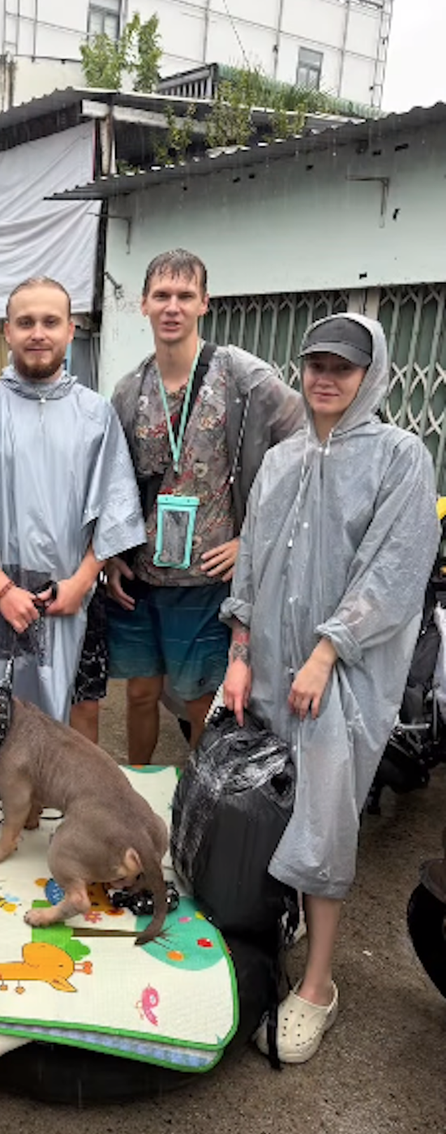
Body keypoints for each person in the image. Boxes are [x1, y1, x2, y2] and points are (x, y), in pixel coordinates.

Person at [222, 313, 439, 1063]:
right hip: (272, 667)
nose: (325, 377)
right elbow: (250, 564)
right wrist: (241, 650)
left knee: (324, 819)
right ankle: (271, 932)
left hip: (340, 677)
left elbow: (395, 571)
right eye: (315, 362)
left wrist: (326, 651)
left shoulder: (399, 458)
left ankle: (318, 987)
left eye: (342, 367)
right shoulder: (282, 460)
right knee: (265, 807)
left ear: (370, 374)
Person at [0, 277, 144, 723]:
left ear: (70, 330)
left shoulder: (96, 416)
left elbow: (114, 514)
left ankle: (66, 798)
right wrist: (1, 587)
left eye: (50, 321)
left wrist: (81, 583)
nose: (38, 332)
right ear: (8, 332)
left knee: (77, 724)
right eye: (26, 322)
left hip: (73, 596)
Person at [107, 249, 303, 760]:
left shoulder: (242, 377)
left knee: (201, 701)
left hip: (208, 577)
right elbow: (112, 482)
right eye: (162, 295)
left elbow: (305, 449)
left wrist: (252, 540)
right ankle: (137, 790)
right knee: (140, 693)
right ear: (143, 305)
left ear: (204, 304)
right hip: (142, 576)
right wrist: (110, 555)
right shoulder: (129, 391)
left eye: (185, 295)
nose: (173, 306)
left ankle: (199, 801)